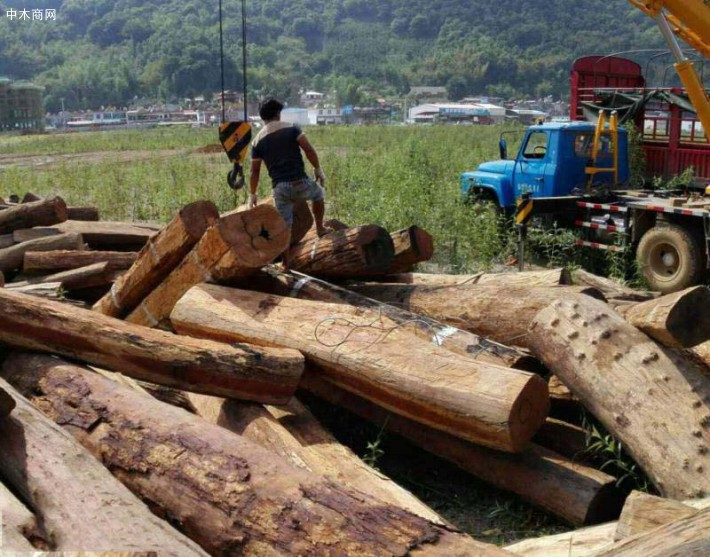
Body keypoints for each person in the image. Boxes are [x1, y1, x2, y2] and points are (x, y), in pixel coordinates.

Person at [248, 97, 327, 259]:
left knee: (285, 226)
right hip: (301, 182)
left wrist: (252, 194)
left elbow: (254, 172)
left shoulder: (256, 142)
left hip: (280, 189)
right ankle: (320, 228)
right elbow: (309, 150)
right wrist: (317, 169)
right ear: (278, 113)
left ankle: (286, 264)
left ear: (263, 117)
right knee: (318, 194)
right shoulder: (292, 129)